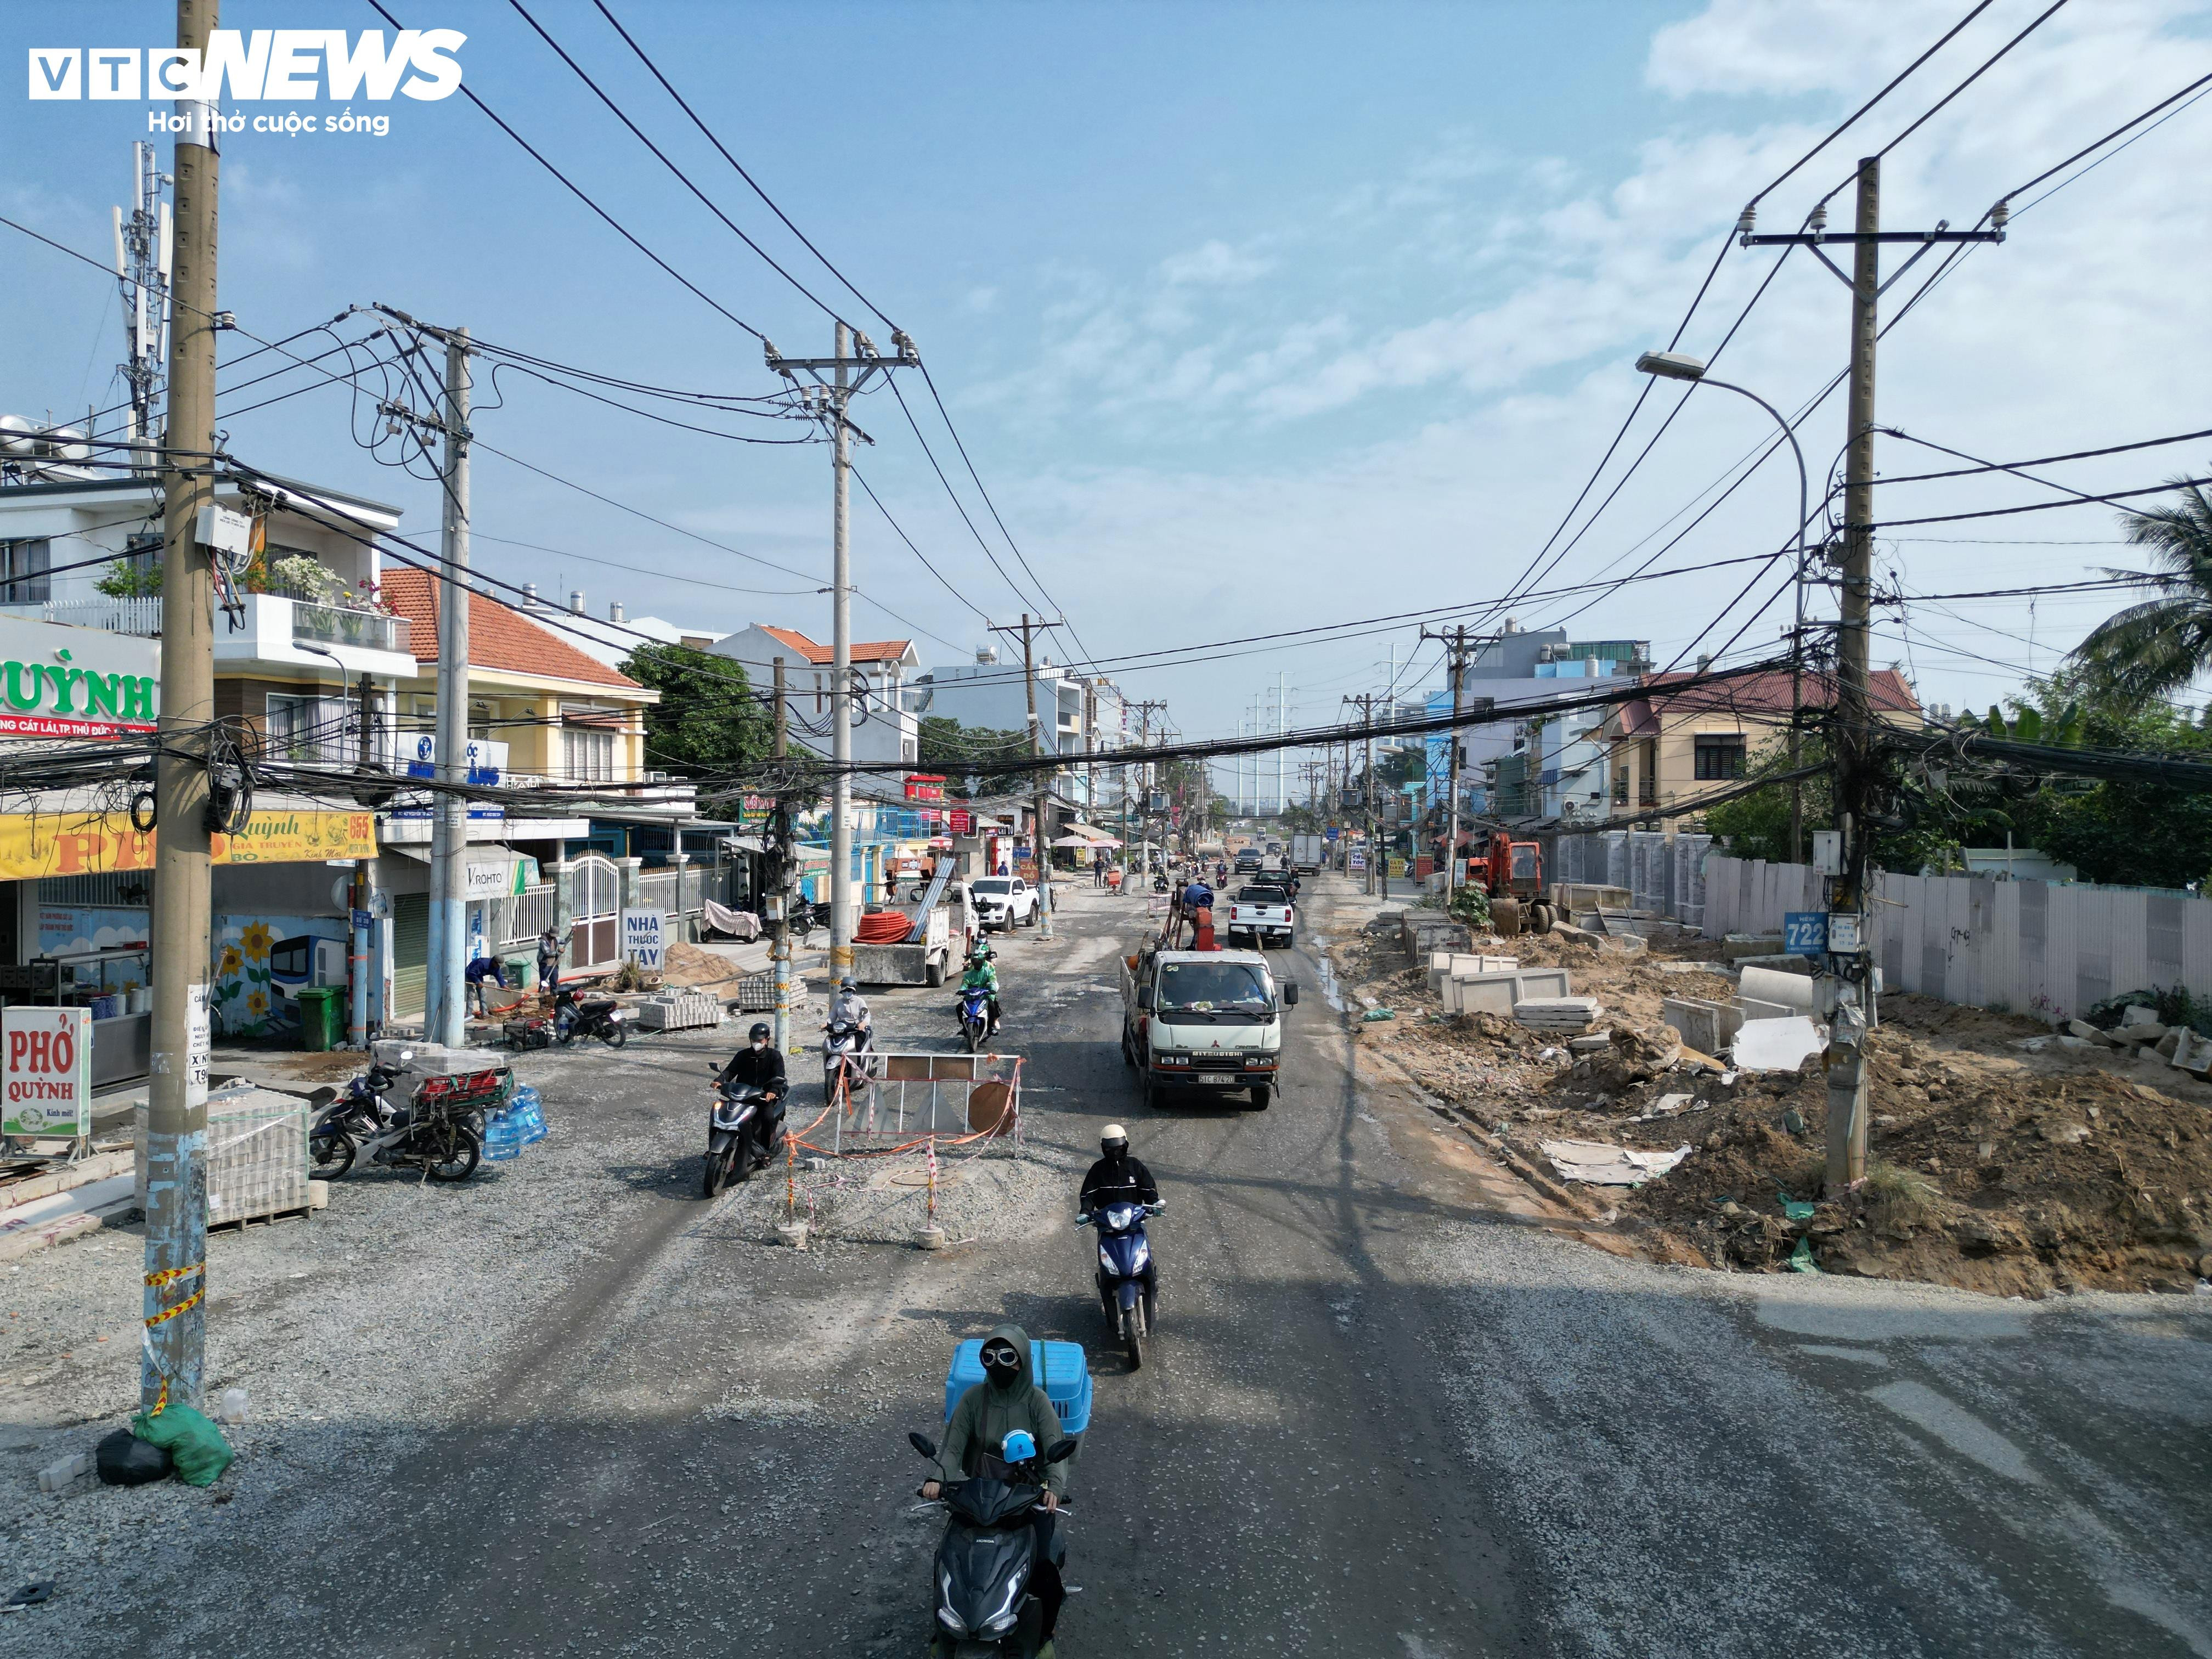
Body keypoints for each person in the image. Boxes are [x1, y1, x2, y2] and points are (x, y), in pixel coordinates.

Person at [924, 1324, 1069, 1648]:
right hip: (979, 1496)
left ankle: (1045, 1631)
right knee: (948, 1560)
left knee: (1042, 1570)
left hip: (1027, 1497)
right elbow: (953, 1447)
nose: (998, 1364)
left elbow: (1056, 1450)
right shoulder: (974, 1399)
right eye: (989, 1357)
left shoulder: (1037, 1402)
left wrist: (1054, 1488)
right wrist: (937, 1479)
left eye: (1007, 1357)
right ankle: (946, 1622)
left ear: (1023, 1361)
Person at [715, 1022, 787, 1160]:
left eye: (759, 1040)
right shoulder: (743, 1055)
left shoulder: (775, 1056)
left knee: (767, 1118)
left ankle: (766, 1151)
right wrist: (720, 1080)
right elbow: (730, 1070)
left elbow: (780, 1076)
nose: (756, 1043)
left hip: (763, 1097)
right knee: (721, 1115)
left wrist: (772, 1091)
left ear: (767, 1040)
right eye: (753, 1040)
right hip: (741, 1096)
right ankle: (715, 1145)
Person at [1080, 1123, 1159, 1214]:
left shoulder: (1135, 1165)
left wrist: (1154, 1203)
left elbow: (1148, 1189)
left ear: (1125, 1145)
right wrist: (1085, 1212)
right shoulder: (1098, 1169)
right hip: (1107, 1221)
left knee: (1141, 1229)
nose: (1115, 1153)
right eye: (1110, 1149)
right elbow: (1088, 1194)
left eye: (1119, 1147)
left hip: (1134, 1218)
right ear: (1103, 1147)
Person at [960, 945, 1001, 1035]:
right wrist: (962, 990)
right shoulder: (969, 974)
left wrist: (993, 989)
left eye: (979, 962)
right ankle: (964, 1027)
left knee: (992, 1007)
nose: (977, 964)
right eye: (975, 962)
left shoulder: (988, 971)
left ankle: (990, 1028)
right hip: (972, 995)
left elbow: (993, 981)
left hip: (985, 995)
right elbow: (964, 984)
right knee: (959, 1008)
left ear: (983, 962)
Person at [827, 975, 873, 1048]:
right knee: (830, 1044)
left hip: (856, 1029)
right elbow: (832, 1016)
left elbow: (867, 1016)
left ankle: (859, 1059)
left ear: (853, 991)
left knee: (858, 1045)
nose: (846, 993)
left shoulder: (859, 1002)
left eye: (849, 991)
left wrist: (863, 1023)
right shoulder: (839, 1002)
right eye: (844, 991)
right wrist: (826, 1024)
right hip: (843, 1029)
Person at [465, 950, 509, 1018]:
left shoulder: (496, 967)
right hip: (470, 975)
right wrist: (477, 982)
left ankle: (484, 1013)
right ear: (494, 962)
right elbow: (472, 973)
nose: (498, 966)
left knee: (483, 993)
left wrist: (503, 986)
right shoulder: (483, 964)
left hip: (479, 976)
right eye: (498, 965)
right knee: (471, 995)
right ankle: (469, 1014)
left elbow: (499, 976)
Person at [535, 926, 567, 999]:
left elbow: (565, 941)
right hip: (545, 964)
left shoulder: (556, 939)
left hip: (554, 964)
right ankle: (541, 999)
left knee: (554, 982)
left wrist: (571, 935)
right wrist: (558, 951)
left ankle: (553, 998)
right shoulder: (543, 941)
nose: (553, 937)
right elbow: (548, 953)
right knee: (544, 982)